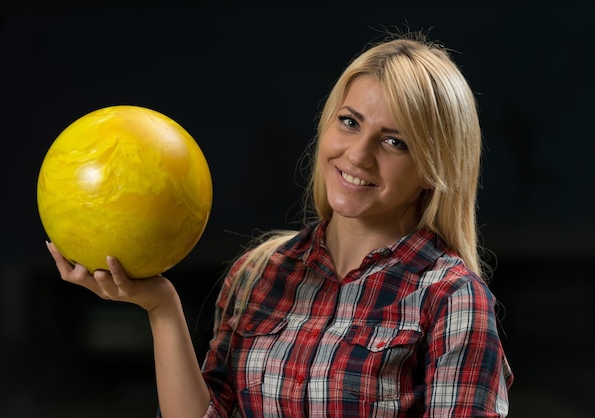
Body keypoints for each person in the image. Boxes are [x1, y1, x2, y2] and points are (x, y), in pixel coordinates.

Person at [47, 31, 514, 417]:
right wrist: (161, 307)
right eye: (349, 122)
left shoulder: (451, 299)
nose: (357, 155)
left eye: (394, 142)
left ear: (434, 168)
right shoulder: (258, 272)